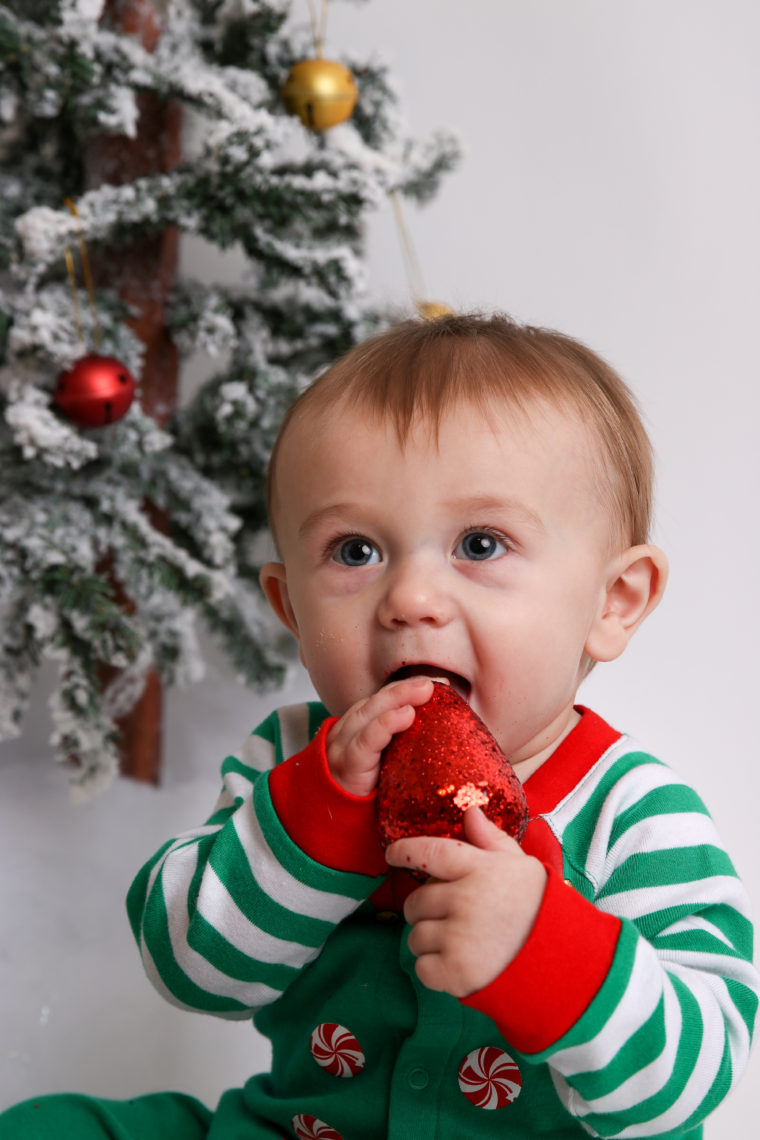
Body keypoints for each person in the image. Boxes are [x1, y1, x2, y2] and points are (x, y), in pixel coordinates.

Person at [2, 313, 757, 1139]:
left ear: (614, 603)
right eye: (356, 551)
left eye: (481, 542)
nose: (410, 600)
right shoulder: (294, 755)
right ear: (291, 607)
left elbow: (696, 1078)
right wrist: (312, 824)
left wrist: (544, 950)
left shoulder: (635, 812)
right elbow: (191, 970)